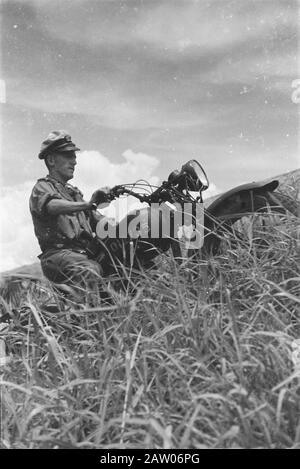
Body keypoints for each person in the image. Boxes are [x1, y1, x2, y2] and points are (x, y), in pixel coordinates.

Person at [29, 130, 111, 297]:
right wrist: (87, 204)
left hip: (84, 254)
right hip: (58, 256)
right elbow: (51, 206)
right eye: (68, 156)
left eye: (74, 157)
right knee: (90, 270)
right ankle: (88, 321)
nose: (74, 162)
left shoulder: (74, 193)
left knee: (124, 258)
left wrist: (126, 227)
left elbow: (99, 221)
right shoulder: (42, 188)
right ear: (51, 160)